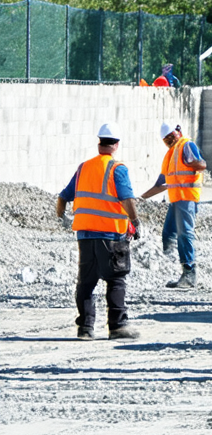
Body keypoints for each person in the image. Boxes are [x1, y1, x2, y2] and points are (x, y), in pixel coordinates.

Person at [53, 123, 142, 341]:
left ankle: (85, 328)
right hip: (111, 235)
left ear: (99, 143)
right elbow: (126, 198)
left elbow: (63, 197)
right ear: (116, 145)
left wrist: (62, 217)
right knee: (116, 279)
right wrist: (136, 221)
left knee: (86, 281)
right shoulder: (117, 169)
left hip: (85, 235)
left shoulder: (84, 167)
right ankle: (118, 326)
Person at [140, 121, 207, 288]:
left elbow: (202, 164)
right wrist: (140, 198)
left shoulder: (186, 145)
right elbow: (160, 185)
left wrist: (194, 163)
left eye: (171, 137)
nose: (169, 140)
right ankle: (170, 266)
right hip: (176, 199)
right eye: (166, 139)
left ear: (178, 132)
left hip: (187, 198)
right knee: (168, 234)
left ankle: (189, 273)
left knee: (184, 234)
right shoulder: (170, 156)